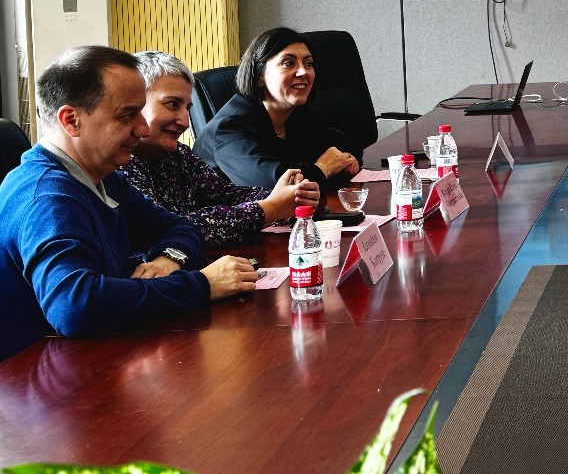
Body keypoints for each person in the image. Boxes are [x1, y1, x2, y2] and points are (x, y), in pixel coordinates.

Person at [0, 46, 258, 362]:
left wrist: (169, 259)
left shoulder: (101, 175)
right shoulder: (48, 198)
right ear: (71, 120)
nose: (143, 128)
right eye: (127, 114)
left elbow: (178, 226)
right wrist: (202, 285)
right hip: (35, 372)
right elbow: (75, 306)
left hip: (90, 355)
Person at [118, 51, 321, 247]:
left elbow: (226, 194)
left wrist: (290, 195)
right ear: (135, 102)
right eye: (172, 104)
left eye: (187, 108)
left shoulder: (178, 154)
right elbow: (169, 228)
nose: (185, 122)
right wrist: (271, 208)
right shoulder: (117, 163)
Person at [194, 27, 362, 192]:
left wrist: (345, 159)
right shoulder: (229, 128)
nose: (303, 71)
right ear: (259, 76)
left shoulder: (296, 113)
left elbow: (344, 144)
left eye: (308, 63)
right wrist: (323, 168)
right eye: (288, 63)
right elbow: (271, 183)